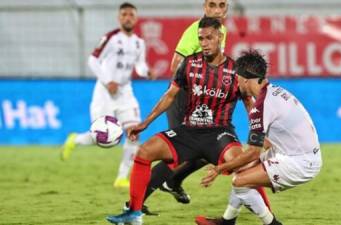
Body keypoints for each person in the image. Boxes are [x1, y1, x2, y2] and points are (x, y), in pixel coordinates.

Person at [106, 17, 267, 225]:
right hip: (188, 132)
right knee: (144, 152)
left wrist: (260, 131)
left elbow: (249, 103)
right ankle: (134, 213)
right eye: (201, 38)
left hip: (219, 134)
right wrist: (146, 122)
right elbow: (171, 95)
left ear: (220, 37)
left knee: (246, 169)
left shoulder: (235, 70)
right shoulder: (189, 63)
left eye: (209, 38)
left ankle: (270, 221)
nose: (205, 43)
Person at [196, 50, 323, 225]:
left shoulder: (261, 106)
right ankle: (227, 222)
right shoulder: (274, 91)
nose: (236, 81)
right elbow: (268, 140)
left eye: (237, 77)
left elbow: (253, 153)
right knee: (242, 171)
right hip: (296, 152)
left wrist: (220, 168)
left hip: (299, 161)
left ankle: (271, 223)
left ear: (246, 79)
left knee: (239, 182)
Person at [143, 0, 230, 212]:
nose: (217, 10)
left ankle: (172, 182)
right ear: (204, 7)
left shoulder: (221, 30)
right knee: (179, 152)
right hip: (184, 97)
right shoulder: (195, 31)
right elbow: (175, 67)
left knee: (202, 152)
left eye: (222, 5)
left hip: (199, 100)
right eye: (212, 5)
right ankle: (134, 202)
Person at [61, 2, 156, 188]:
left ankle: (121, 177)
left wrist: (146, 72)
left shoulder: (139, 43)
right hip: (104, 92)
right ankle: (76, 139)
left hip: (125, 92)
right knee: (103, 139)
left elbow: (140, 65)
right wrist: (107, 81)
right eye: (124, 14)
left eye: (131, 14)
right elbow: (92, 60)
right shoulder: (111, 38)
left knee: (134, 133)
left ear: (136, 18)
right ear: (119, 18)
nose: (127, 17)